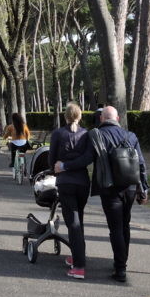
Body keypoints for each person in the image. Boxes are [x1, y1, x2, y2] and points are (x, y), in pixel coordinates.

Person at [60, 105, 149, 282]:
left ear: (102, 119)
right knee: (125, 224)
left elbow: (87, 159)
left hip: (110, 188)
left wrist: (65, 166)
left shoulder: (97, 135)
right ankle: (121, 262)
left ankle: (120, 269)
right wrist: (143, 188)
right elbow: (141, 163)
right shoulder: (131, 136)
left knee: (115, 228)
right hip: (130, 187)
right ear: (117, 119)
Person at [49, 102, 90, 279]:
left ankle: (79, 266)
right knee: (78, 219)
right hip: (82, 182)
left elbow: (51, 159)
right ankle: (77, 255)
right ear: (80, 116)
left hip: (66, 183)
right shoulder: (86, 134)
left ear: (65, 116)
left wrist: (60, 167)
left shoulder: (58, 134)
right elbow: (88, 158)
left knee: (72, 222)